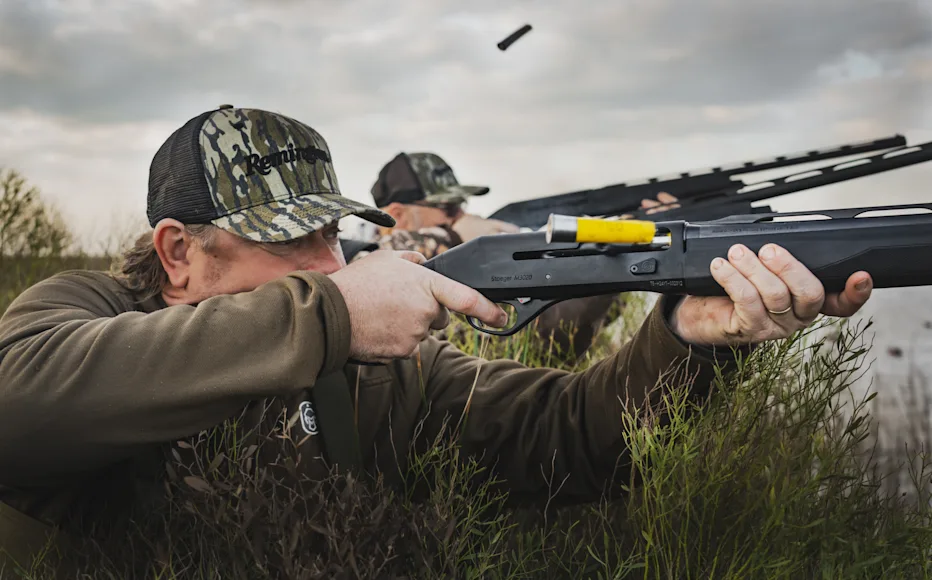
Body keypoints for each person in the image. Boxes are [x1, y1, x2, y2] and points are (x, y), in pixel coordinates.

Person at [0, 106, 873, 570]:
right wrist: (332, 313)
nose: (325, 261)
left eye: (330, 236)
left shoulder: (377, 374)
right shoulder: (84, 309)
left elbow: (570, 433)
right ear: (179, 252)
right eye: (287, 241)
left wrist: (691, 339)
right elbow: (19, 405)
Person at [350, 151, 681, 358]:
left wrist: (619, 247)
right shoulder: (370, 264)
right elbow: (544, 343)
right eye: (447, 207)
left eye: (460, 205)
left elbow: (570, 333)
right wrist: (457, 234)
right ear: (398, 213)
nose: (461, 214)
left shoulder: (460, 259)